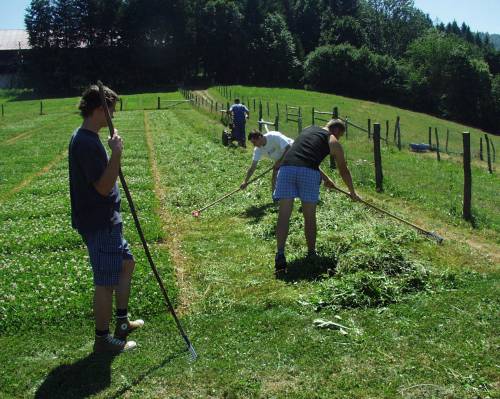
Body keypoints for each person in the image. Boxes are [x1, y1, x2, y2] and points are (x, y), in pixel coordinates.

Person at [68, 84, 143, 354]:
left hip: (107, 219)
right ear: (100, 109)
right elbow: (101, 187)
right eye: (111, 110)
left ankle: (122, 323)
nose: (114, 116)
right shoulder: (86, 142)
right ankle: (102, 340)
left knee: (127, 264)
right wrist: (117, 153)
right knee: (105, 282)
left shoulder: (88, 137)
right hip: (100, 222)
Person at [273, 119, 360, 274]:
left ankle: (280, 253)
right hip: (308, 174)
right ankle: (311, 253)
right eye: (340, 135)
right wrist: (352, 192)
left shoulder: (308, 129)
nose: (339, 139)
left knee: (284, 215)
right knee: (309, 216)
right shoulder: (333, 141)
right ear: (338, 131)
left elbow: (304, 156)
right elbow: (343, 169)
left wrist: (326, 178)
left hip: (286, 170)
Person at [240, 130, 294, 196]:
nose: (254, 145)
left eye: (254, 142)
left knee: (289, 177)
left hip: (293, 153)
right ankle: (275, 197)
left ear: (260, 137)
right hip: (280, 160)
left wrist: (279, 162)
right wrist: (245, 181)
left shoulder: (274, 136)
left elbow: (289, 147)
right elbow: (253, 166)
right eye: (252, 143)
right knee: (275, 175)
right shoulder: (258, 149)